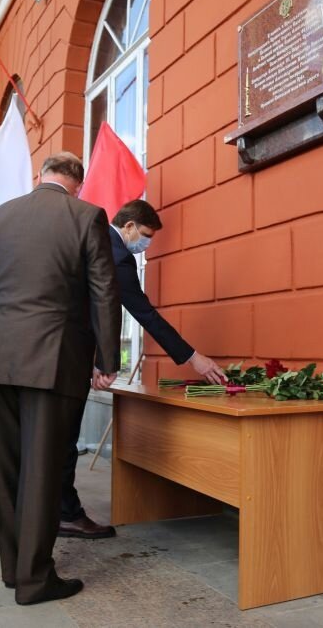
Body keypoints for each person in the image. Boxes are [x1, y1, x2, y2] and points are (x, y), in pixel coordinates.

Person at [0, 152, 121, 605]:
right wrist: (106, 358)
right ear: (77, 182)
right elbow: (103, 292)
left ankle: (13, 569)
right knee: (43, 469)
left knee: (3, 468)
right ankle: (36, 579)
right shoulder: (87, 215)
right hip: (53, 359)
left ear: (42, 176)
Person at [56, 199, 227, 541]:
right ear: (130, 226)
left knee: (53, 437)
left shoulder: (86, 236)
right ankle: (66, 513)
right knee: (64, 439)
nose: (145, 245)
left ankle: (51, 509)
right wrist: (194, 358)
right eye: (145, 236)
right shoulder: (115, 254)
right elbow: (142, 313)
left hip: (48, 349)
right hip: (67, 354)